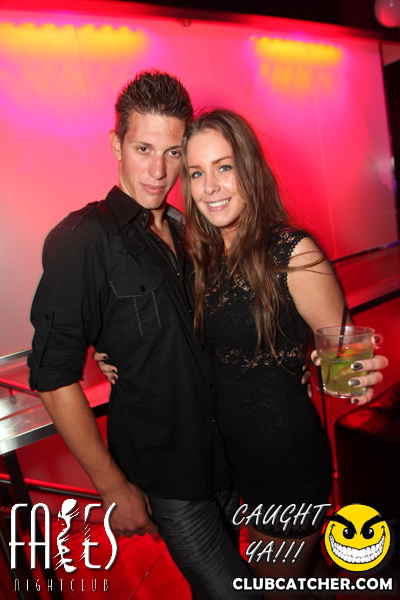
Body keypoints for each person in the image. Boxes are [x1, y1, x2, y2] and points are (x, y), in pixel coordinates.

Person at [28, 71, 259, 600]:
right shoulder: (82, 239)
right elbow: (53, 376)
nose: (158, 171)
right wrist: (112, 487)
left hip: (225, 458)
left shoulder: (187, 228)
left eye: (173, 152)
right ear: (117, 144)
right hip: (168, 474)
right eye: (143, 149)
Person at [178, 109, 388, 597]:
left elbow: (343, 357)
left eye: (224, 166)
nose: (211, 186)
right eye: (196, 173)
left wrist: (348, 374)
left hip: (283, 465)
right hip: (232, 464)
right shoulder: (200, 258)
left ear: (249, 168)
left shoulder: (293, 252)